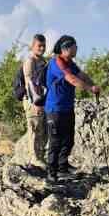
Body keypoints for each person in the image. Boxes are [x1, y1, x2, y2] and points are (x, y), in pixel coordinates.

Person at [43, 36, 99, 183]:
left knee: (68, 139)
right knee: (55, 141)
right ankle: (51, 173)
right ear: (66, 48)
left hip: (67, 107)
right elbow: (72, 79)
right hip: (54, 109)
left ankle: (63, 168)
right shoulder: (56, 63)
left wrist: (94, 85)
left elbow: (81, 75)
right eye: (75, 46)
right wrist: (89, 88)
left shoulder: (70, 63)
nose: (77, 49)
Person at [21, 33, 48, 169]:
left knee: (43, 130)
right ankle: (35, 158)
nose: (42, 48)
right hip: (32, 101)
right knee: (35, 129)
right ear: (33, 46)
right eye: (39, 46)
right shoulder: (30, 61)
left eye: (43, 46)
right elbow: (29, 83)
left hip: (41, 100)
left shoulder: (43, 61)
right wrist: (36, 103)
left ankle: (41, 158)